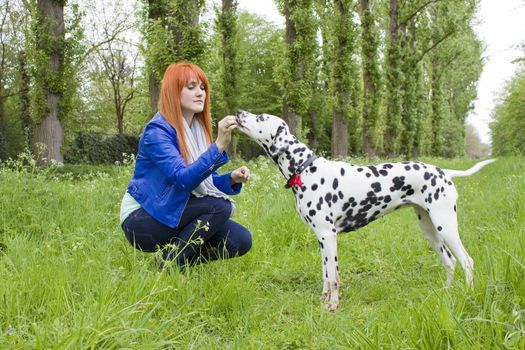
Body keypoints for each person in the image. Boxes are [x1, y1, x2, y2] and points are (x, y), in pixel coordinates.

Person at [120, 61, 252, 267]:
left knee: (240, 240)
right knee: (219, 207)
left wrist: (231, 178)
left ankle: (173, 260)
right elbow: (183, 179)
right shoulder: (157, 131)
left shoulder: (196, 130)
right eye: (191, 87)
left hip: (176, 209)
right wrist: (217, 147)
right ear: (174, 92)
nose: (200, 93)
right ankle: (171, 266)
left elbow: (203, 183)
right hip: (142, 218)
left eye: (202, 87)